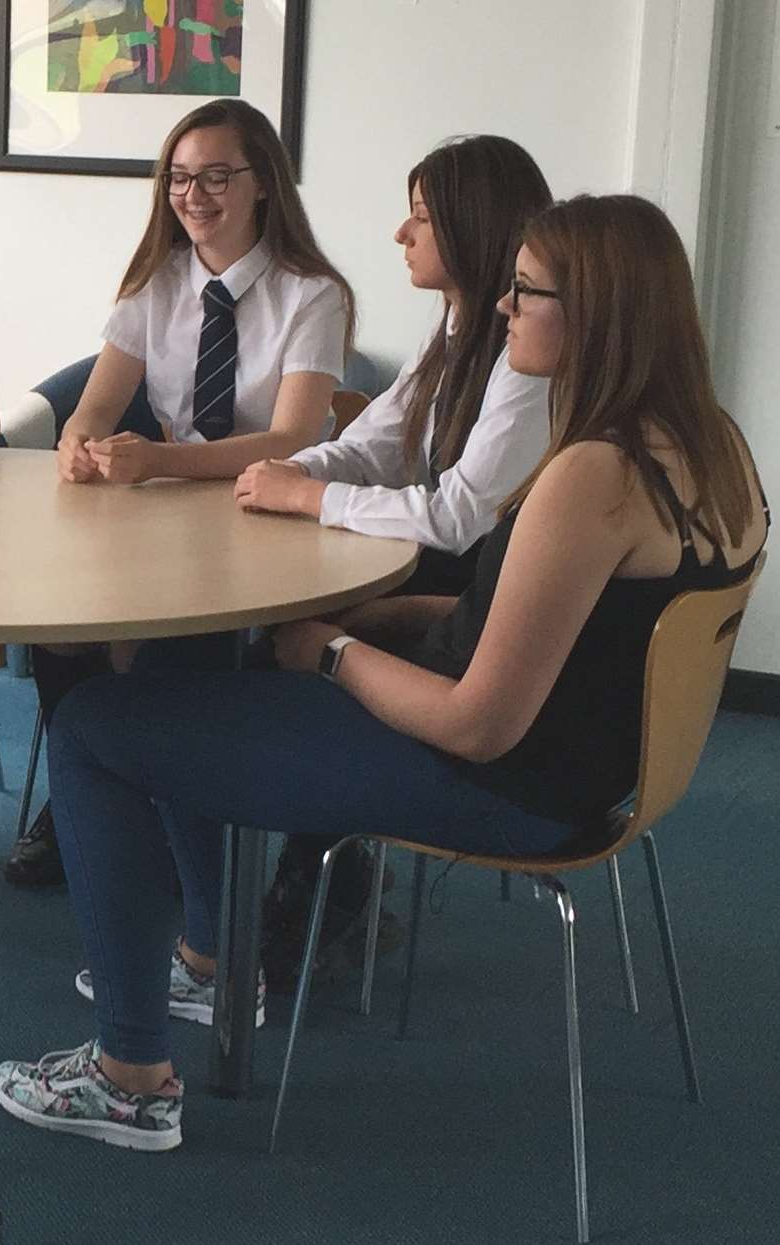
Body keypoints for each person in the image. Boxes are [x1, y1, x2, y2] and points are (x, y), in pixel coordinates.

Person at [0, 194, 767, 1152]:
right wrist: (381, 617)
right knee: (179, 685)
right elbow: (576, 629)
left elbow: (477, 723)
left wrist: (332, 650)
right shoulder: (711, 444)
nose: (500, 311)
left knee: (97, 727)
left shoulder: (591, 477)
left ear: (598, 312)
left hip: (506, 784)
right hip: (598, 768)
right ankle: (203, 954)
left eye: (525, 293)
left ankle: (131, 1074)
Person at [230, 134, 554, 989]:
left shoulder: (526, 361)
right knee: (265, 637)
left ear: (471, 229)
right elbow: (373, 442)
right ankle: (312, 869)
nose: (398, 235)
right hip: (448, 582)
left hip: (477, 603)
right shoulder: (454, 328)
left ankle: (316, 881)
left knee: (281, 651)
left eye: (419, 218)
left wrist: (307, 498)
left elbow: (455, 517)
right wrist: (297, 470)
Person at [6, 98, 355, 890]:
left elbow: (292, 438)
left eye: (215, 177)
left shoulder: (311, 294)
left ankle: (166, 809)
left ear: (263, 183)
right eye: (178, 179)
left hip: (266, 512)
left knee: (149, 650)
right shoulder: (156, 280)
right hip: (161, 513)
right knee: (61, 631)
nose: (193, 196)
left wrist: (159, 460)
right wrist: (75, 446)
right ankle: (77, 800)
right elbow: (92, 406)